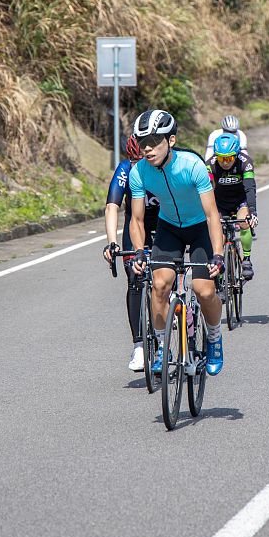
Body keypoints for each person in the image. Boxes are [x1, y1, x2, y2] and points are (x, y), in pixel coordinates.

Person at [128, 109, 226, 376]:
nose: (147, 149)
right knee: (159, 285)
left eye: (154, 142)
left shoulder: (191, 164)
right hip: (169, 227)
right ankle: (161, 347)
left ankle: (215, 338)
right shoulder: (140, 172)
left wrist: (218, 254)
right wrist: (138, 251)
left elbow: (211, 214)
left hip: (199, 228)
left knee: (204, 291)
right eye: (142, 143)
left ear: (170, 141)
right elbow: (137, 221)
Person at [103, 136, 161, 371]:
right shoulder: (126, 169)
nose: (140, 165)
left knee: (165, 277)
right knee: (135, 280)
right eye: (136, 160)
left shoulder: (161, 167)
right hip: (135, 229)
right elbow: (112, 206)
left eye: (144, 160)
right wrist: (112, 242)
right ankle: (139, 345)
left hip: (164, 226)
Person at [205, 134, 259, 280]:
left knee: (243, 221)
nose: (225, 162)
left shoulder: (245, 162)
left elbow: (250, 188)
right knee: (219, 237)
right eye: (221, 158)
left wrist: (253, 211)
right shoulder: (210, 164)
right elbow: (206, 189)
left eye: (229, 158)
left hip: (240, 202)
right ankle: (220, 274)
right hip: (220, 204)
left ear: (236, 155)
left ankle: (246, 260)